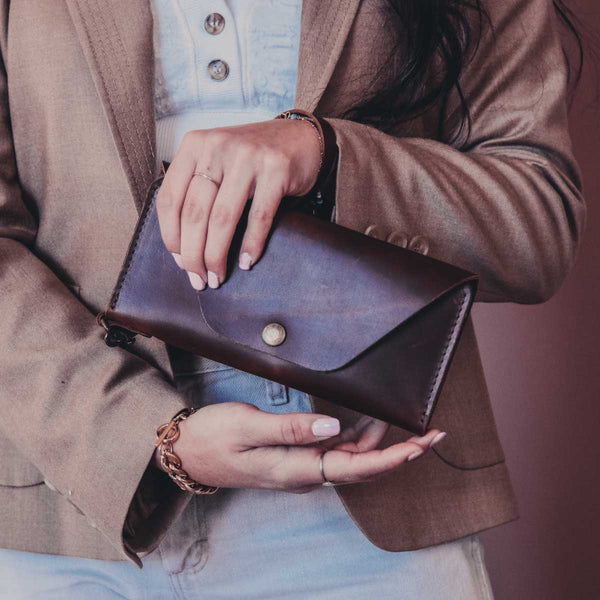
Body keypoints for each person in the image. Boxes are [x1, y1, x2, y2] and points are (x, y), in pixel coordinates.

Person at [0, 0, 584, 598]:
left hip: (366, 511)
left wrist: (327, 155)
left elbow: (538, 222)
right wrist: (146, 437)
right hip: (73, 515)